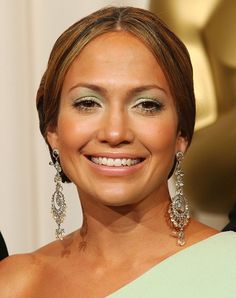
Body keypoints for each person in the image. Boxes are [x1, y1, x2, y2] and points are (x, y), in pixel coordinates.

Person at [0, 6, 236, 297]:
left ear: (181, 134)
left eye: (147, 105)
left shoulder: (229, 268)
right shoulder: (14, 283)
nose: (115, 133)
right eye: (87, 103)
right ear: (53, 130)